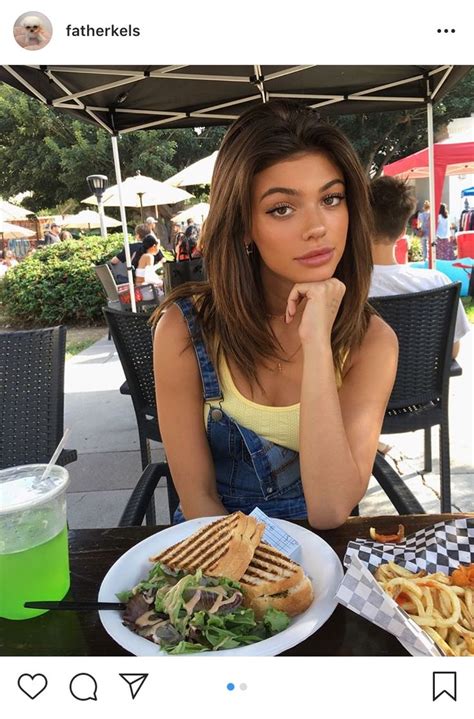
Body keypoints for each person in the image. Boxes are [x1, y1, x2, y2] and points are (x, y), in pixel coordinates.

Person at [152, 100, 398, 529]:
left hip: (325, 557)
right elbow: (197, 497)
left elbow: (329, 509)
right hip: (214, 546)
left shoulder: (372, 342)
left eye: (331, 198)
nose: (316, 226)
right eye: (282, 208)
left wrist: (317, 341)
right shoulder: (185, 328)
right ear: (244, 224)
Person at [369, 176, 470, 359]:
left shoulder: (347, 288)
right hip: (422, 387)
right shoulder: (438, 283)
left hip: (362, 386)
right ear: (401, 233)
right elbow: (452, 352)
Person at [134, 235, 164, 300]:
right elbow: (149, 277)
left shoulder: (145, 256)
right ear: (154, 246)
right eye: (158, 246)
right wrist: (160, 282)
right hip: (145, 291)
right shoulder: (149, 257)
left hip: (142, 289)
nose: (159, 249)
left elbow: (147, 273)